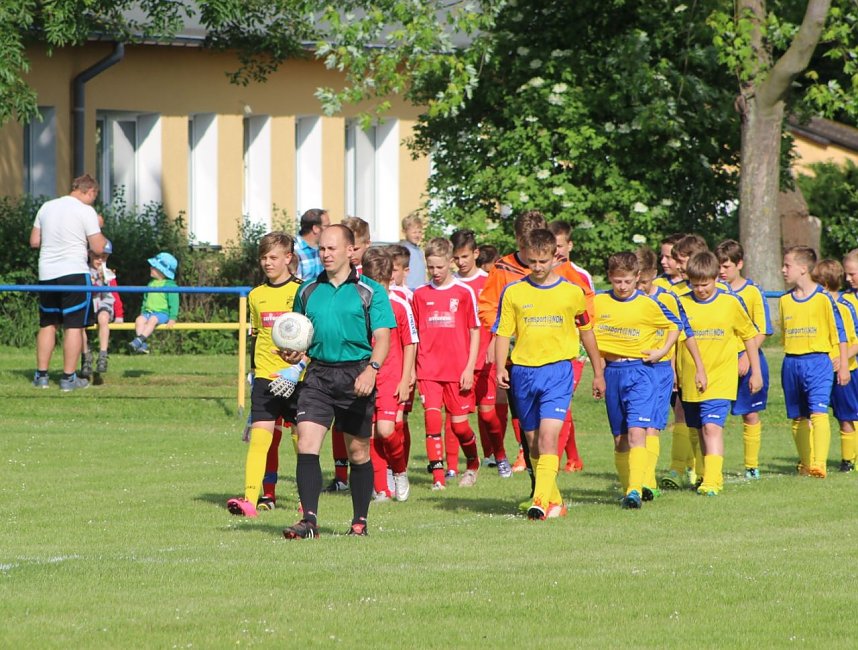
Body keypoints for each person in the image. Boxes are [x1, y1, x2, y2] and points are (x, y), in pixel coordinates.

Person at [281, 224, 395, 539]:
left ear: (350, 250)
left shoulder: (371, 290)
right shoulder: (306, 291)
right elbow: (298, 336)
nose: (325, 254)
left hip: (356, 374)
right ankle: (309, 521)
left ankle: (359, 522)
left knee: (358, 452)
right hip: (317, 375)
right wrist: (294, 355)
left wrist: (372, 369)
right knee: (306, 444)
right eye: (322, 249)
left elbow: (383, 338)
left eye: (332, 248)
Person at [478, 210, 594, 498]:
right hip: (519, 363)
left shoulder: (566, 273)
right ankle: (539, 488)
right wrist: (503, 338)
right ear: (520, 242)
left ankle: (543, 496)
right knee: (528, 435)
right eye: (528, 250)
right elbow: (489, 308)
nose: (538, 264)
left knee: (550, 429)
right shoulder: (503, 271)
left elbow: (583, 311)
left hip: (558, 360)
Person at [494, 229, 604, 519]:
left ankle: (540, 501)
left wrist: (598, 370)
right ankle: (555, 501)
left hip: (558, 372)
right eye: (532, 262)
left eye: (543, 261)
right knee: (531, 442)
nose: (538, 267)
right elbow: (503, 332)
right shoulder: (514, 292)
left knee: (548, 438)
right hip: (523, 373)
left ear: (556, 256)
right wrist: (499, 367)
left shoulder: (572, 291)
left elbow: (586, 331)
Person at [593, 252, 699, 508]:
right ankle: (631, 485)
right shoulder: (598, 302)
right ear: (610, 277)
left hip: (641, 372)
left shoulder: (648, 303)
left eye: (628, 281)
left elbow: (676, 326)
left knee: (638, 430)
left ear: (637, 278)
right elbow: (585, 329)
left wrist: (662, 351)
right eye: (617, 281)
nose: (622, 286)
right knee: (621, 439)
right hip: (612, 372)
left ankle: (634, 491)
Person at [227, 232, 303, 517]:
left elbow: (311, 336)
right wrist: (254, 372)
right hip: (265, 378)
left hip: (296, 379)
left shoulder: (301, 292)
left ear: (288, 258)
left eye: (273, 257)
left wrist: (299, 368)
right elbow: (257, 336)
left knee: (301, 441)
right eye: (263, 258)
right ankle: (250, 499)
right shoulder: (256, 295)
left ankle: (305, 498)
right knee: (260, 439)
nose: (267, 263)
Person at [678, 251, 762, 496]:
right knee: (699, 428)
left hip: (721, 376)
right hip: (691, 378)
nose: (701, 289)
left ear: (716, 278)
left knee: (712, 427)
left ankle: (713, 481)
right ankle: (707, 473)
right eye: (695, 285)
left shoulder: (730, 302)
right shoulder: (681, 302)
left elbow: (749, 336)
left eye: (705, 284)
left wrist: (755, 372)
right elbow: (675, 339)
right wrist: (674, 372)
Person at [412, 237, 482, 489]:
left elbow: (475, 331)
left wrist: (469, 367)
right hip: (428, 370)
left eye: (440, 267)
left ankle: (473, 463)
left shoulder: (465, 293)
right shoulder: (419, 295)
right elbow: (415, 336)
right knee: (432, 422)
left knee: (459, 426)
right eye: (431, 267)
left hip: (457, 370)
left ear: (450, 263)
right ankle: (438, 479)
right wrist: (412, 370)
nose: (435, 272)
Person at [30, 173, 107, 391]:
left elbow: (35, 241)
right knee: (73, 325)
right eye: (94, 196)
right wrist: (98, 227)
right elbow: (99, 248)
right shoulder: (86, 211)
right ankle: (68, 378)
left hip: (47, 273)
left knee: (48, 323)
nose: (93, 200)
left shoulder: (47, 207)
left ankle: (42, 376)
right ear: (89, 191)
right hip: (74, 272)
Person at [634, 246, 699, 500]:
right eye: (635, 281)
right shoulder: (626, 298)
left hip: (659, 370)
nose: (639, 287)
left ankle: (647, 481)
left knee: (652, 427)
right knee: (634, 428)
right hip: (631, 370)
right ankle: (638, 479)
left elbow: (684, 332)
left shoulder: (668, 298)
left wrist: (679, 367)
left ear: (653, 274)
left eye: (644, 281)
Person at [780, 246, 849, 478]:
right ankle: (806, 463)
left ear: (803, 268)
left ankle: (819, 464)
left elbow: (839, 332)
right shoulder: (784, 301)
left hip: (818, 361)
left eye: (787, 265)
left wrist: (843, 362)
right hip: (791, 363)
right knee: (798, 416)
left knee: (818, 412)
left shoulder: (824, 299)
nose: (783, 270)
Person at [451, 229, 510, 477]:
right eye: (457, 258)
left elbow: (501, 318)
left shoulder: (489, 280)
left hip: (486, 358)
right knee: (454, 417)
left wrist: (493, 345)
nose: (461, 262)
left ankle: (500, 455)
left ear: (476, 253)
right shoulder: (450, 283)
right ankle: (452, 468)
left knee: (487, 415)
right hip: (457, 361)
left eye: (465, 256)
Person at [361, 248, 417, 502]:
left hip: (391, 376)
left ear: (390, 280)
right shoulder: (358, 304)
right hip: (365, 376)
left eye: (381, 285)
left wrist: (406, 378)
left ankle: (400, 471)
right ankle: (380, 488)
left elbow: (410, 342)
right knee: (369, 434)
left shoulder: (400, 305)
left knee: (385, 430)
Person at [715, 239, 773, 479]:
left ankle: (752, 466)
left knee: (750, 414)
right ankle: (703, 467)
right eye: (718, 266)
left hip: (747, 358)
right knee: (713, 415)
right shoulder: (714, 291)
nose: (721, 271)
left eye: (726, 266)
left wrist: (748, 359)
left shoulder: (752, 291)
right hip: (719, 360)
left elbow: (762, 329)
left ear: (739, 264)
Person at [325, 215, 373, 493]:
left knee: (368, 430)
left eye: (354, 246)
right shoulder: (324, 281)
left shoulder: (369, 282)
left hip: (365, 364)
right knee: (335, 424)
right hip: (330, 367)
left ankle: (382, 474)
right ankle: (340, 476)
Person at [548, 219, 591, 472]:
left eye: (561, 245)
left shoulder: (580, 276)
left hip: (575, 350)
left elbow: (590, 315)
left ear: (570, 245)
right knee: (561, 403)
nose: (557, 251)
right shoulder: (541, 275)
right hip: (549, 349)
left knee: (561, 402)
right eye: (553, 246)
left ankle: (551, 459)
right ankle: (573, 457)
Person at [811, 259, 858, 472]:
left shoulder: (844, 306)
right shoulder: (815, 306)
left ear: (826, 284)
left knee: (846, 416)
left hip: (844, 370)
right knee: (816, 414)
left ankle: (848, 460)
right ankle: (811, 459)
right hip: (819, 370)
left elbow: (853, 339)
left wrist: (843, 360)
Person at [80, 240, 124, 379]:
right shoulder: (84, 272)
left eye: (104, 257)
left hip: (104, 304)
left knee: (103, 318)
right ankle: (86, 355)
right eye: (97, 256)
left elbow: (115, 294)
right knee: (78, 324)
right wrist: (92, 283)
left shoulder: (109, 274)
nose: (100, 260)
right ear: (89, 254)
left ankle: (103, 355)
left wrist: (119, 315)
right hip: (88, 305)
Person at [128, 252, 179, 354]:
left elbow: (174, 303)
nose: (151, 268)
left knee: (152, 320)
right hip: (148, 312)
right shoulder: (150, 284)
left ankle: (140, 340)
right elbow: (146, 299)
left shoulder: (170, 285)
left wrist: (172, 318)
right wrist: (143, 312)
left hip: (162, 313)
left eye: (154, 267)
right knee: (139, 320)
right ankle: (142, 344)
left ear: (162, 271)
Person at [294, 208, 330, 281]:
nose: (330, 229)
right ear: (315, 228)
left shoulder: (324, 249)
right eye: (327, 226)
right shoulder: (294, 249)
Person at [400, 212, 426, 290]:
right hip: (409, 287)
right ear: (405, 232)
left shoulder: (419, 250)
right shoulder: (404, 249)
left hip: (420, 287)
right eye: (414, 232)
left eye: (419, 232)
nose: (417, 235)